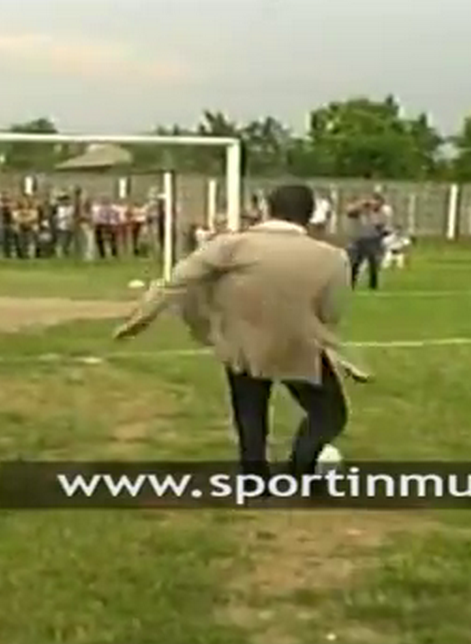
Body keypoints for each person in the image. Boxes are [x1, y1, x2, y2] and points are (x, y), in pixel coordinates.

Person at [112, 184, 369, 487]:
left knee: (250, 411)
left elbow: (176, 282)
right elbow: (331, 311)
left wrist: (139, 319)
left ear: (267, 210)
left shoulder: (231, 245)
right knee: (328, 414)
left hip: (242, 342)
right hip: (297, 344)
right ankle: (302, 465)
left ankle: (254, 480)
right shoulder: (333, 257)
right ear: (310, 215)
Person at [345, 192, 391, 290]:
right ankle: (351, 283)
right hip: (359, 238)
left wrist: (371, 212)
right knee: (355, 263)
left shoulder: (381, 213)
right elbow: (350, 212)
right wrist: (361, 206)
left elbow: (380, 224)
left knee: (373, 262)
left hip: (373, 239)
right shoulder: (360, 210)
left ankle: (373, 285)